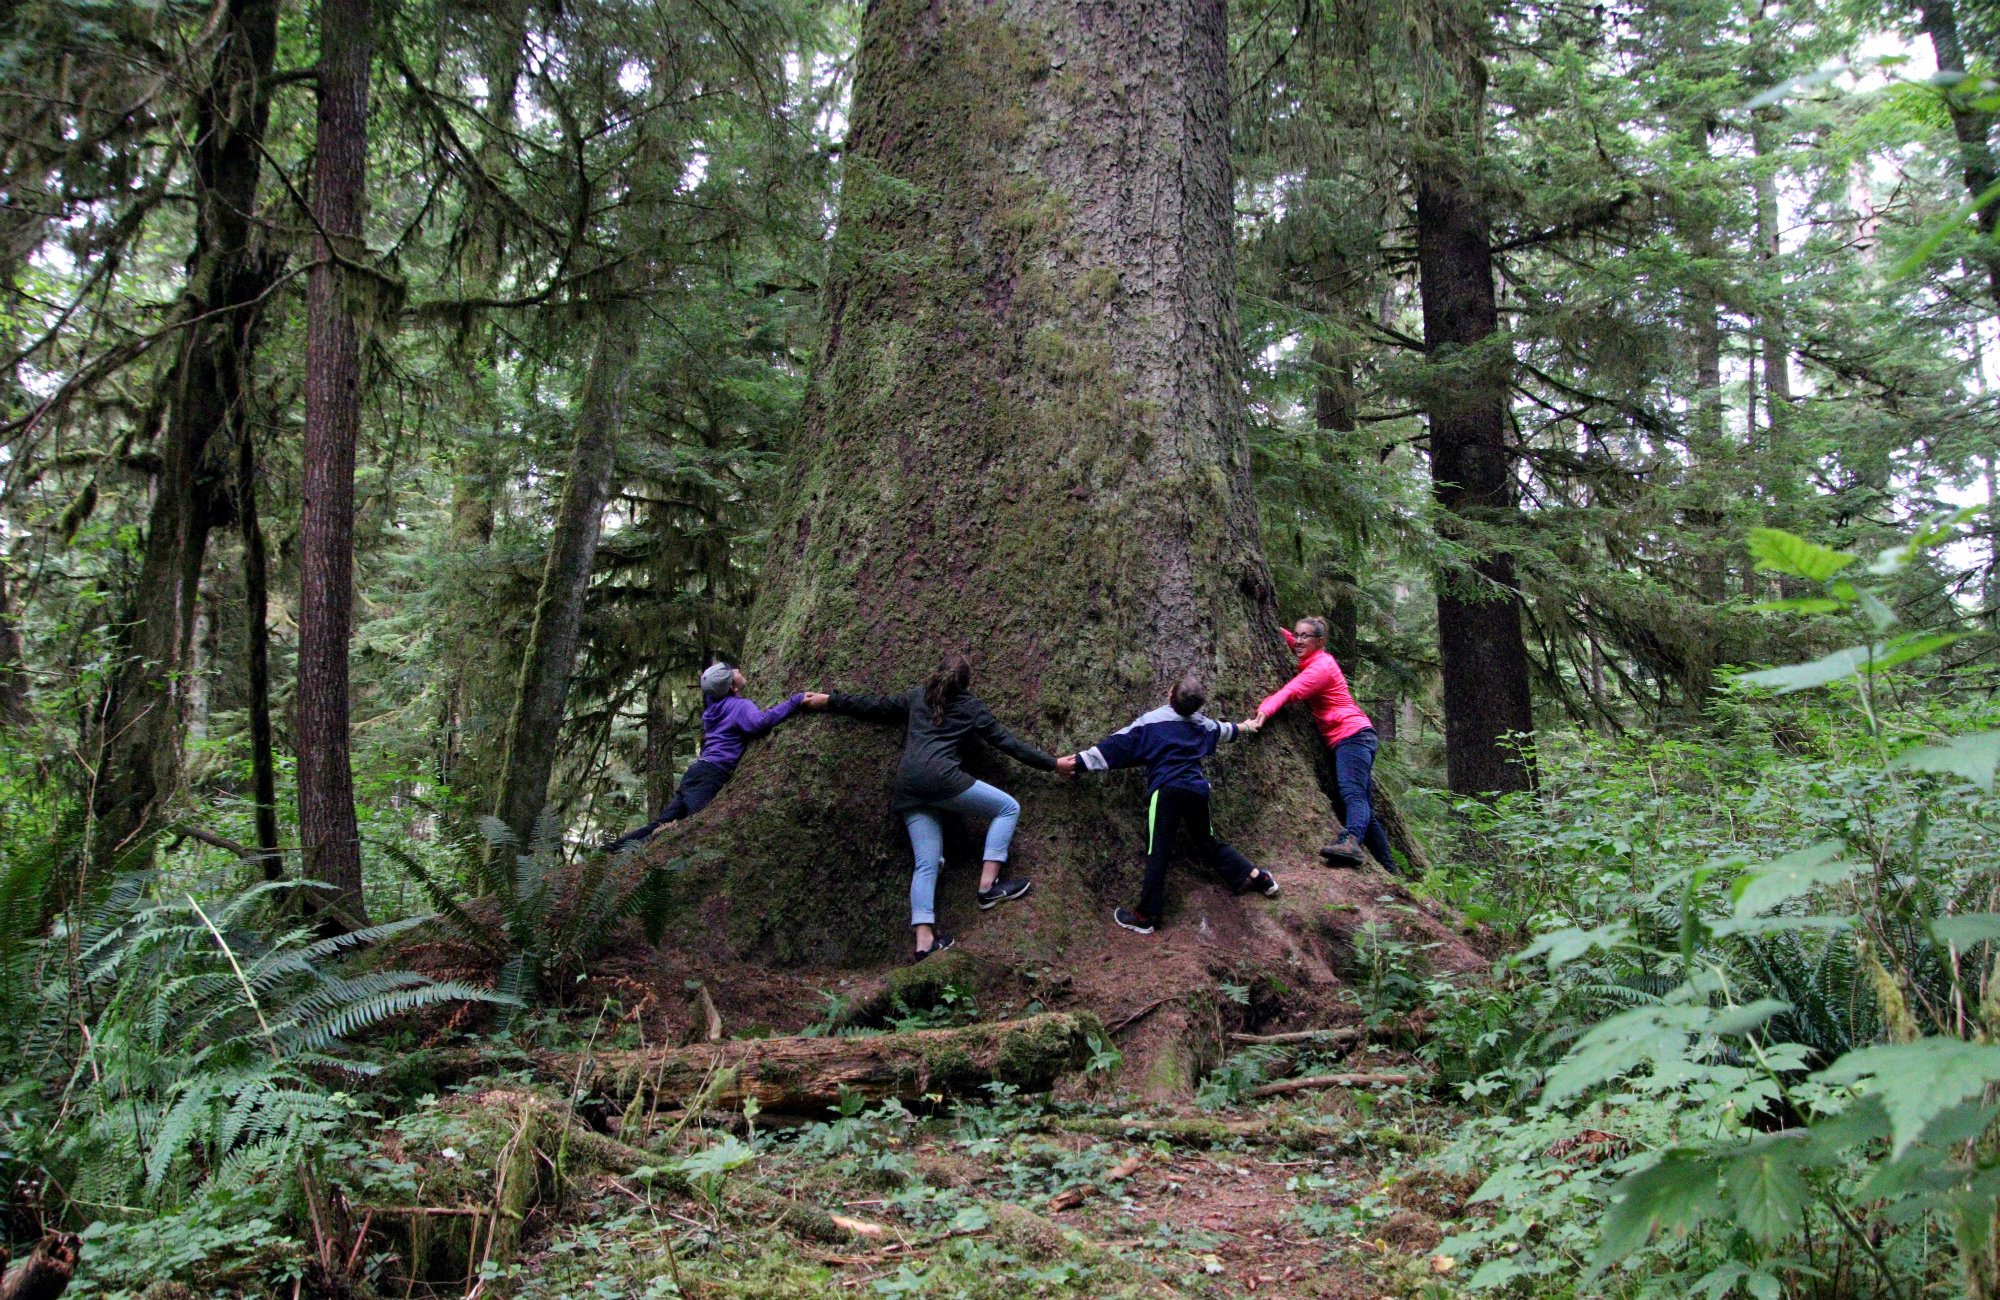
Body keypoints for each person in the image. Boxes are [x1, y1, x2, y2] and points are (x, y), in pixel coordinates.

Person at [803, 653, 1054, 963]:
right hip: (942, 781)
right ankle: (989, 887)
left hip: (908, 787)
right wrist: (1053, 764)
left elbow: (874, 706)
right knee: (1007, 808)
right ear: (966, 683)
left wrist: (829, 699)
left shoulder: (917, 697)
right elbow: (1009, 744)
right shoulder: (970, 707)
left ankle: (924, 944)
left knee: (927, 862)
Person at [1057, 672, 1279, 935]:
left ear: (1169, 694)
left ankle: (1147, 916)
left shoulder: (1151, 723)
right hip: (1197, 790)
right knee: (1208, 843)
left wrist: (1079, 762)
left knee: (1158, 851)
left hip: (1166, 792)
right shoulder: (1201, 725)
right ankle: (1257, 877)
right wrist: (1246, 726)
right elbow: (1224, 730)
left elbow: (1117, 747)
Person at [1243, 615, 1394, 869]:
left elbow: (1292, 691)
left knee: (1353, 795)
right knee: (1364, 806)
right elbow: (1291, 639)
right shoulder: (1314, 655)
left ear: (1320, 642)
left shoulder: (1321, 667)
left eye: (1305, 636)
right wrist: (1271, 622)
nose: (1299, 641)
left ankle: (1351, 842)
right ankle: (1389, 867)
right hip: (1353, 736)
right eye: (1297, 634)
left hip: (1352, 736)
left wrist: (1265, 710)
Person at [605, 662, 803, 852]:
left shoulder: (713, 705)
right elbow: (760, 723)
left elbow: (711, 686)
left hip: (696, 772)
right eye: (732, 673)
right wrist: (796, 701)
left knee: (663, 823)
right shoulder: (740, 706)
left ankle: (612, 850)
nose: (737, 669)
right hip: (710, 775)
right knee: (695, 829)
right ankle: (631, 857)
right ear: (733, 687)